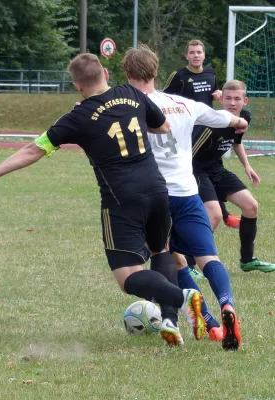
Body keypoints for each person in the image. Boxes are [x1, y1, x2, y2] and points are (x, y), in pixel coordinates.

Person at [0, 53, 207, 347]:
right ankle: (170, 320)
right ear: (105, 73)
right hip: (158, 189)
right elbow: (163, 127)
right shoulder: (132, 93)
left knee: (128, 277)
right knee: (161, 250)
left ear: (78, 86)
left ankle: (182, 297)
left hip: (122, 199)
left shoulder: (78, 116)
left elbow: (34, 150)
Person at [122, 44, 245, 350]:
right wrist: (238, 122)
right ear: (156, 70)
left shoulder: (128, 107)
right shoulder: (184, 104)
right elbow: (225, 119)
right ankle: (226, 306)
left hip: (154, 196)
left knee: (172, 260)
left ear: (127, 74)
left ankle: (207, 320)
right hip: (188, 194)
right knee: (207, 257)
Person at [192, 79, 275, 273]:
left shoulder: (244, 118)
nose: (232, 103)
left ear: (245, 101)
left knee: (251, 206)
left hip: (217, 170)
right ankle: (187, 265)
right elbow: (189, 151)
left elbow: (236, 141)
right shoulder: (211, 122)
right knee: (214, 215)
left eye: (237, 99)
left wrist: (247, 166)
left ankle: (247, 260)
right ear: (221, 100)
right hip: (196, 170)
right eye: (228, 98)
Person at [164, 39, 240, 232]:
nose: (196, 55)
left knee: (213, 164)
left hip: (208, 128)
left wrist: (219, 94)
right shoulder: (179, 76)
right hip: (187, 129)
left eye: (199, 52)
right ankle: (197, 208)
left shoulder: (211, 73)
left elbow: (213, 95)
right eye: (192, 52)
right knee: (193, 166)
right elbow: (164, 96)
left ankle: (223, 212)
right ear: (186, 55)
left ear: (204, 55)